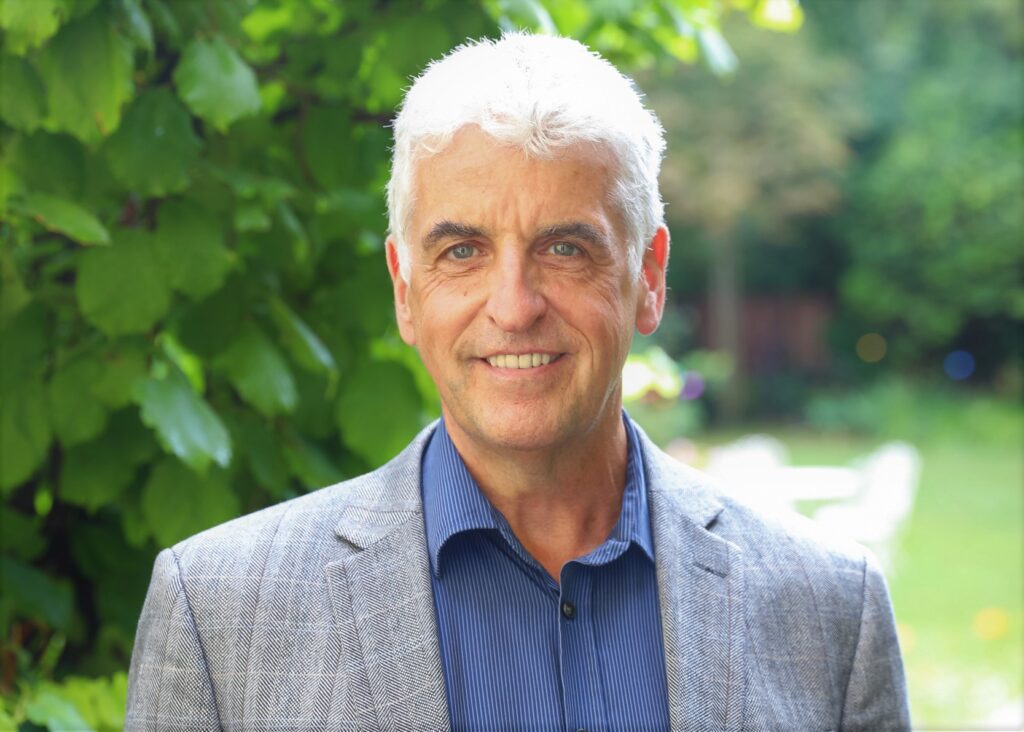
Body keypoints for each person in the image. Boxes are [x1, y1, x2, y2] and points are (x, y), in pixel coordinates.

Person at [126, 33, 910, 731]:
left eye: (565, 249)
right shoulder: (219, 614)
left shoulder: (831, 611)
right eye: (462, 252)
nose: (514, 306)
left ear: (649, 276)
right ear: (404, 289)